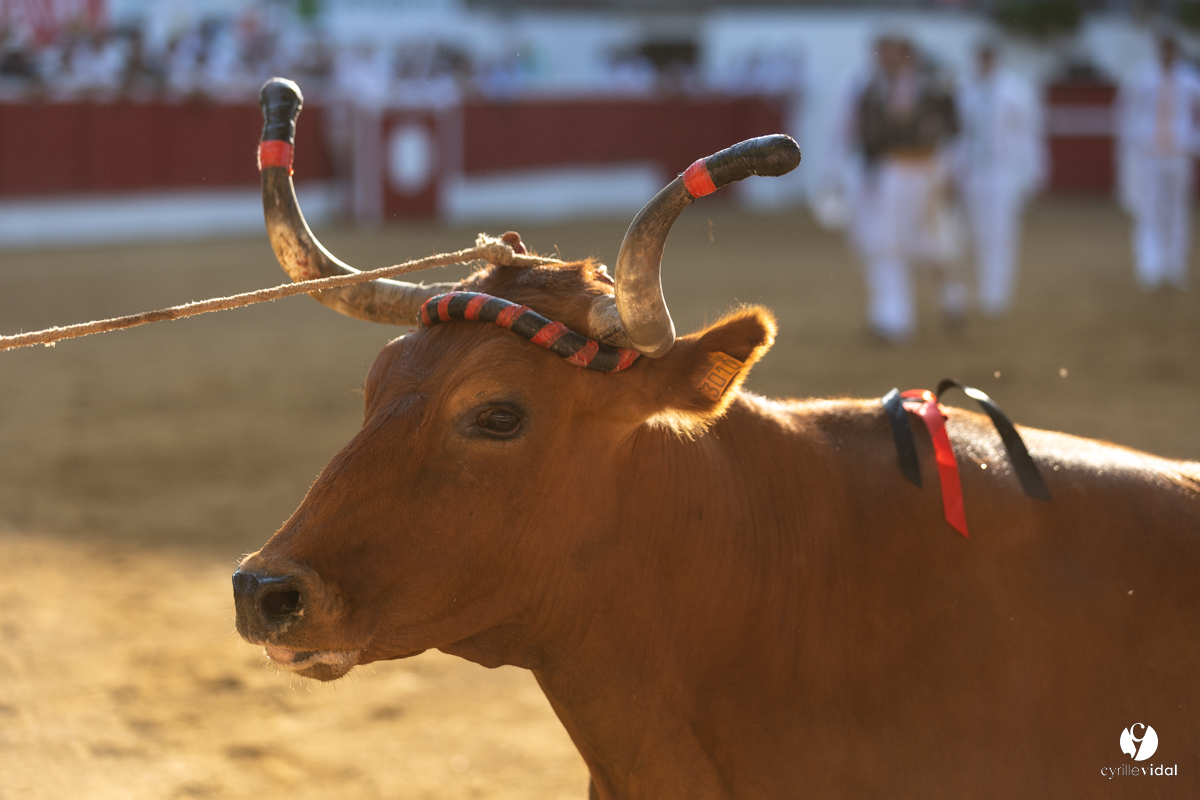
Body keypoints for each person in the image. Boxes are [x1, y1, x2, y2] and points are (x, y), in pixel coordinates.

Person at [838, 35, 965, 342]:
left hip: (928, 169)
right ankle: (893, 316)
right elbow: (863, 137)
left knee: (935, 243)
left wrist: (951, 171)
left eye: (891, 53)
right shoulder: (871, 90)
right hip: (891, 171)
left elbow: (955, 131)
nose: (885, 60)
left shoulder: (935, 87)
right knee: (887, 242)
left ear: (909, 55)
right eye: (881, 54)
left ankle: (951, 296)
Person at [955, 42, 1045, 317]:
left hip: (1003, 170)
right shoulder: (964, 89)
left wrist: (1032, 173)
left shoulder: (1015, 91)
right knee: (975, 232)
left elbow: (1029, 133)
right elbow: (957, 134)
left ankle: (996, 295)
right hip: (971, 170)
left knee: (1001, 233)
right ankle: (981, 289)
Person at [1116, 33, 1200, 291]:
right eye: (1164, 49)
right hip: (1150, 154)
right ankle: (1149, 265)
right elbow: (1125, 112)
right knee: (1149, 208)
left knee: (1177, 210)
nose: (1167, 54)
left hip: (1178, 154)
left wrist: (1193, 141)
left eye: (1171, 49)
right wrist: (1135, 141)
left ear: (1176, 51)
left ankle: (1174, 265)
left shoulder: (1190, 79)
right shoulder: (1141, 77)